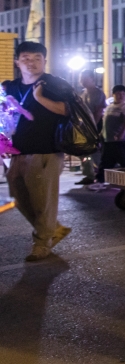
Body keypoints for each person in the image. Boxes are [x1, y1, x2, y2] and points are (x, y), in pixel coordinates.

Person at [7, 42, 73, 261]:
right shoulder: (11, 87)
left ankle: (42, 244)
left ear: (44, 61)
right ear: (18, 62)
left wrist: (40, 98)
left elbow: (68, 110)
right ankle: (53, 228)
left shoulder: (53, 84)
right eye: (26, 58)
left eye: (36, 57)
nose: (31, 62)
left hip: (46, 152)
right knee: (19, 198)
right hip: (17, 152)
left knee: (42, 202)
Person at [97, 85, 125, 183]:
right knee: (106, 161)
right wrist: (101, 134)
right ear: (113, 94)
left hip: (120, 141)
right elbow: (105, 122)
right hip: (108, 140)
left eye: (123, 94)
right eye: (118, 93)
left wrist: (120, 136)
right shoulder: (109, 107)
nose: (121, 96)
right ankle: (100, 180)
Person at [75, 69, 107, 185]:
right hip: (84, 126)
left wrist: (92, 127)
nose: (81, 81)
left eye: (84, 78)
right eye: (81, 78)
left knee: (95, 150)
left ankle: (99, 173)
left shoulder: (98, 94)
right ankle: (89, 174)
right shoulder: (82, 94)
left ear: (92, 79)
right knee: (84, 151)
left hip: (95, 126)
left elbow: (99, 111)